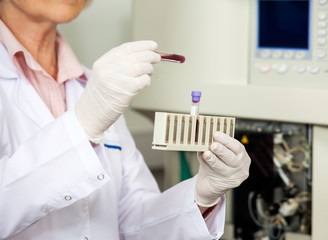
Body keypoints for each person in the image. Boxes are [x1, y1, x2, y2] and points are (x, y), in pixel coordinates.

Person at [0, 0, 251, 239]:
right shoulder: (95, 99)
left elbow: (135, 225)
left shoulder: (95, 86)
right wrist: (82, 125)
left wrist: (202, 196)